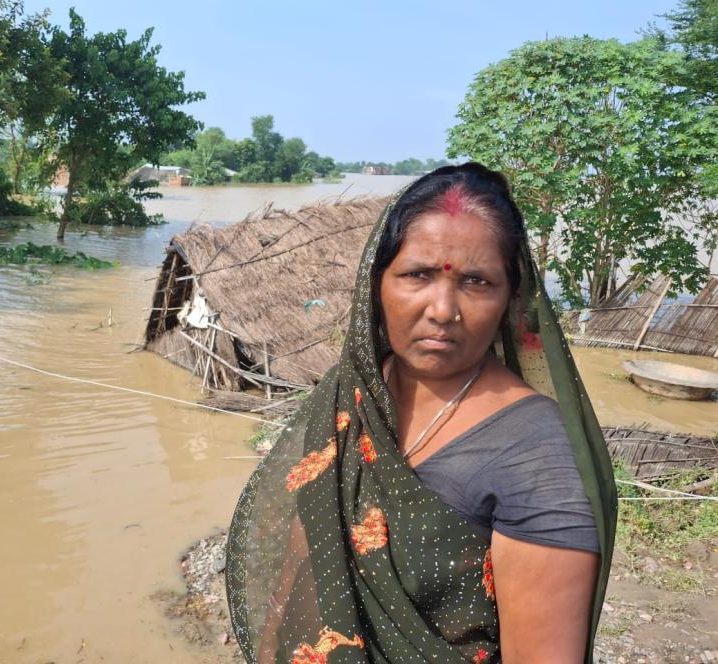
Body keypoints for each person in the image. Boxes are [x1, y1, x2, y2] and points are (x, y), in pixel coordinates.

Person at [225, 163, 617, 664]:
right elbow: (304, 556)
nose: (443, 310)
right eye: (417, 275)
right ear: (376, 283)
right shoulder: (351, 393)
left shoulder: (539, 455)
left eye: (477, 281)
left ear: (509, 299)